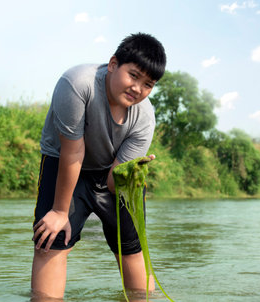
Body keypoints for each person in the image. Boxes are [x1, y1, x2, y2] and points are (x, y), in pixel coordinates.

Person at [31, 32, 166, 299]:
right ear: (114, 64)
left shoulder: (144, 119)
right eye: (134, 75)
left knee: (131, 244)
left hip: (112, 170)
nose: (138, 88)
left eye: (148, 84)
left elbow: (114, 183)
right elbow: (73, 151)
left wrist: (133, 174)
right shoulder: (77, 84)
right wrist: (60, 211)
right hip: (64, 162)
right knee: (50, 240)